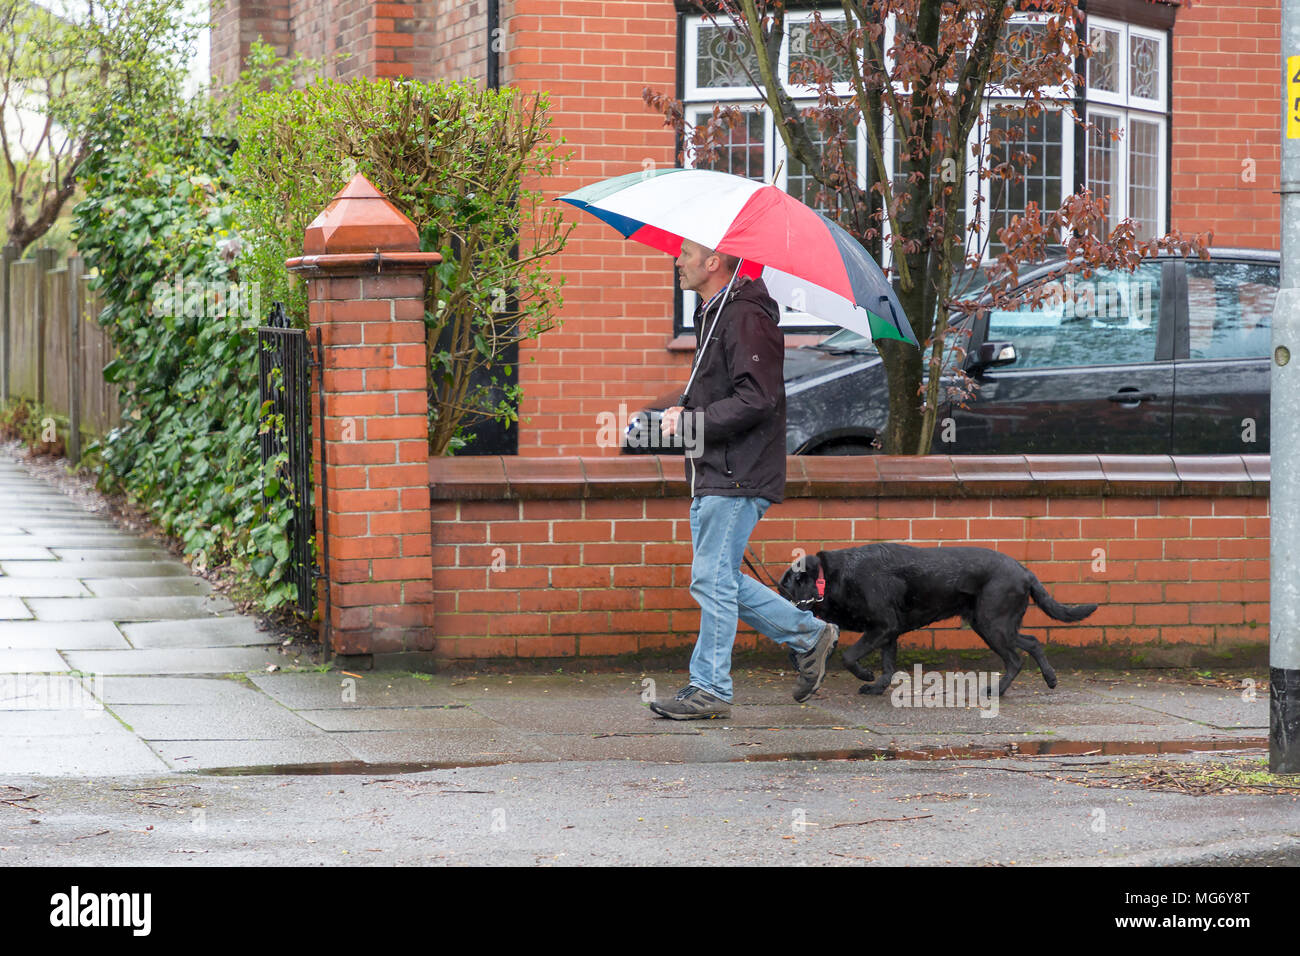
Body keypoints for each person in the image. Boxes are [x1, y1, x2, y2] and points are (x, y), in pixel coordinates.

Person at [648, 238, 839, 720]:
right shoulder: (716, 314)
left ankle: (710, 687)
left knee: (711, 581)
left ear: (714, 262)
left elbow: (757, 399)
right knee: (717, 579)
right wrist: (686, 412)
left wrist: (695, 422)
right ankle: (809, 634)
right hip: (716, 471)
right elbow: (726, 394)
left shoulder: (745, 317)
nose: (677, 261)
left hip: (736, 473)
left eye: (686, 255)